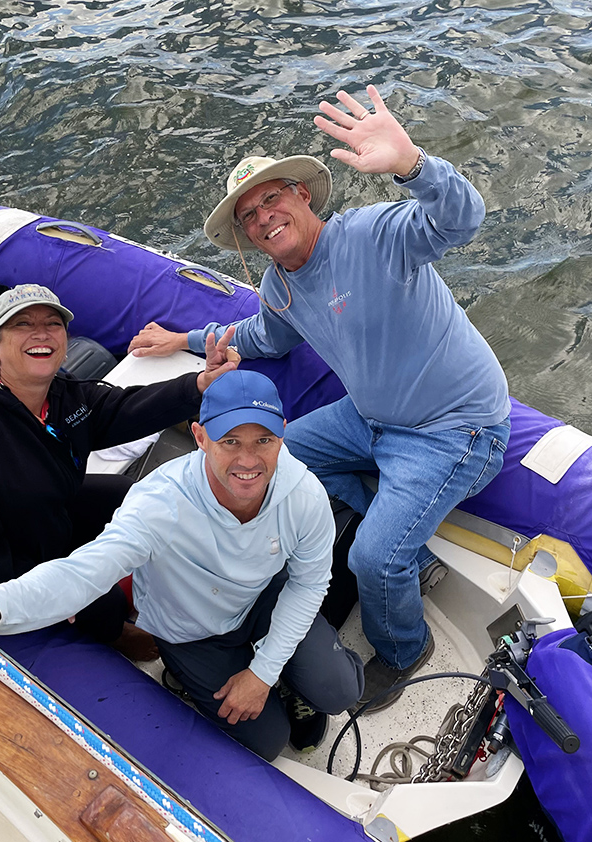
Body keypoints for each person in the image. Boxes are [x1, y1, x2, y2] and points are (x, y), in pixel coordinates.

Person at [128, 85, 511, 711]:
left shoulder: (370, 234)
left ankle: (404, 651)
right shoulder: (279, 286)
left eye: (271, 198)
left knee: (373, 558)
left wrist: (412, 165)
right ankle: (412, 554)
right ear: (247, 236)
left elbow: (459, 220)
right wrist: (187, 339)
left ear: (303, 196)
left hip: (453, 427)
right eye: (249, 216)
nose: (263, 217)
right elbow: (262, 336)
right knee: (277, 458)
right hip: (371, 417)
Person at [0, 370, 364, 761]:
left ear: (283, 434)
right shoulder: (159, 502)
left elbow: (308, 584)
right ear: (200, 437)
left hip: (262, 599)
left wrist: (263, 672)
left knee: (339, 691)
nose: (249, 460)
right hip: (190, 629)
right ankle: (228, 675)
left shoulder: (303, 494)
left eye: (264, 440)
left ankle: (289, 679)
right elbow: (83, 572)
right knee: (268, 742)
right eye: (230, 440)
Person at [0, 283, 237, 659]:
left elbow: (119, 410)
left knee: (130, 494)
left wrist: (199, 385)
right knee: (99, 601)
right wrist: (49, 594)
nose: (41, 333)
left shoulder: (60, 393)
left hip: (33, 510)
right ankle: (114, 632)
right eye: (22, 324)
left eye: (53, 323)